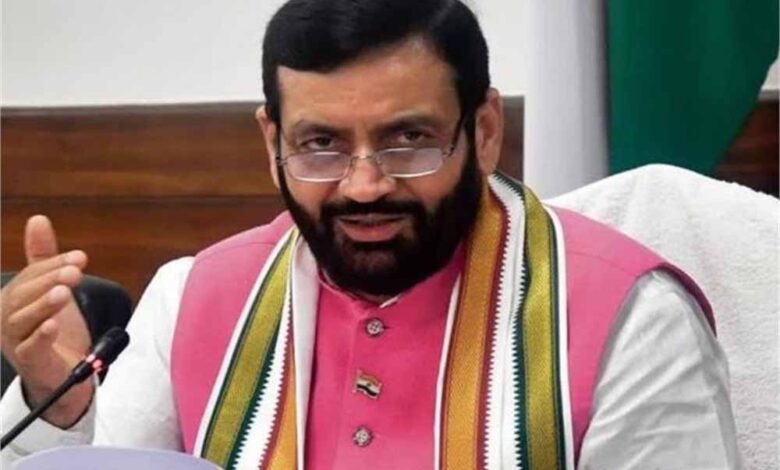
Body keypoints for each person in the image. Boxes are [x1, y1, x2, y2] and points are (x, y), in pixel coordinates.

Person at [0, 0, 740, 468]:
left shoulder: (631, 317)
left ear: (484, 131)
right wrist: (61, 407)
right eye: (320, 144)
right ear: (272, 142)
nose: (363, 185)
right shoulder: (192, 297)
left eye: (407, 139)